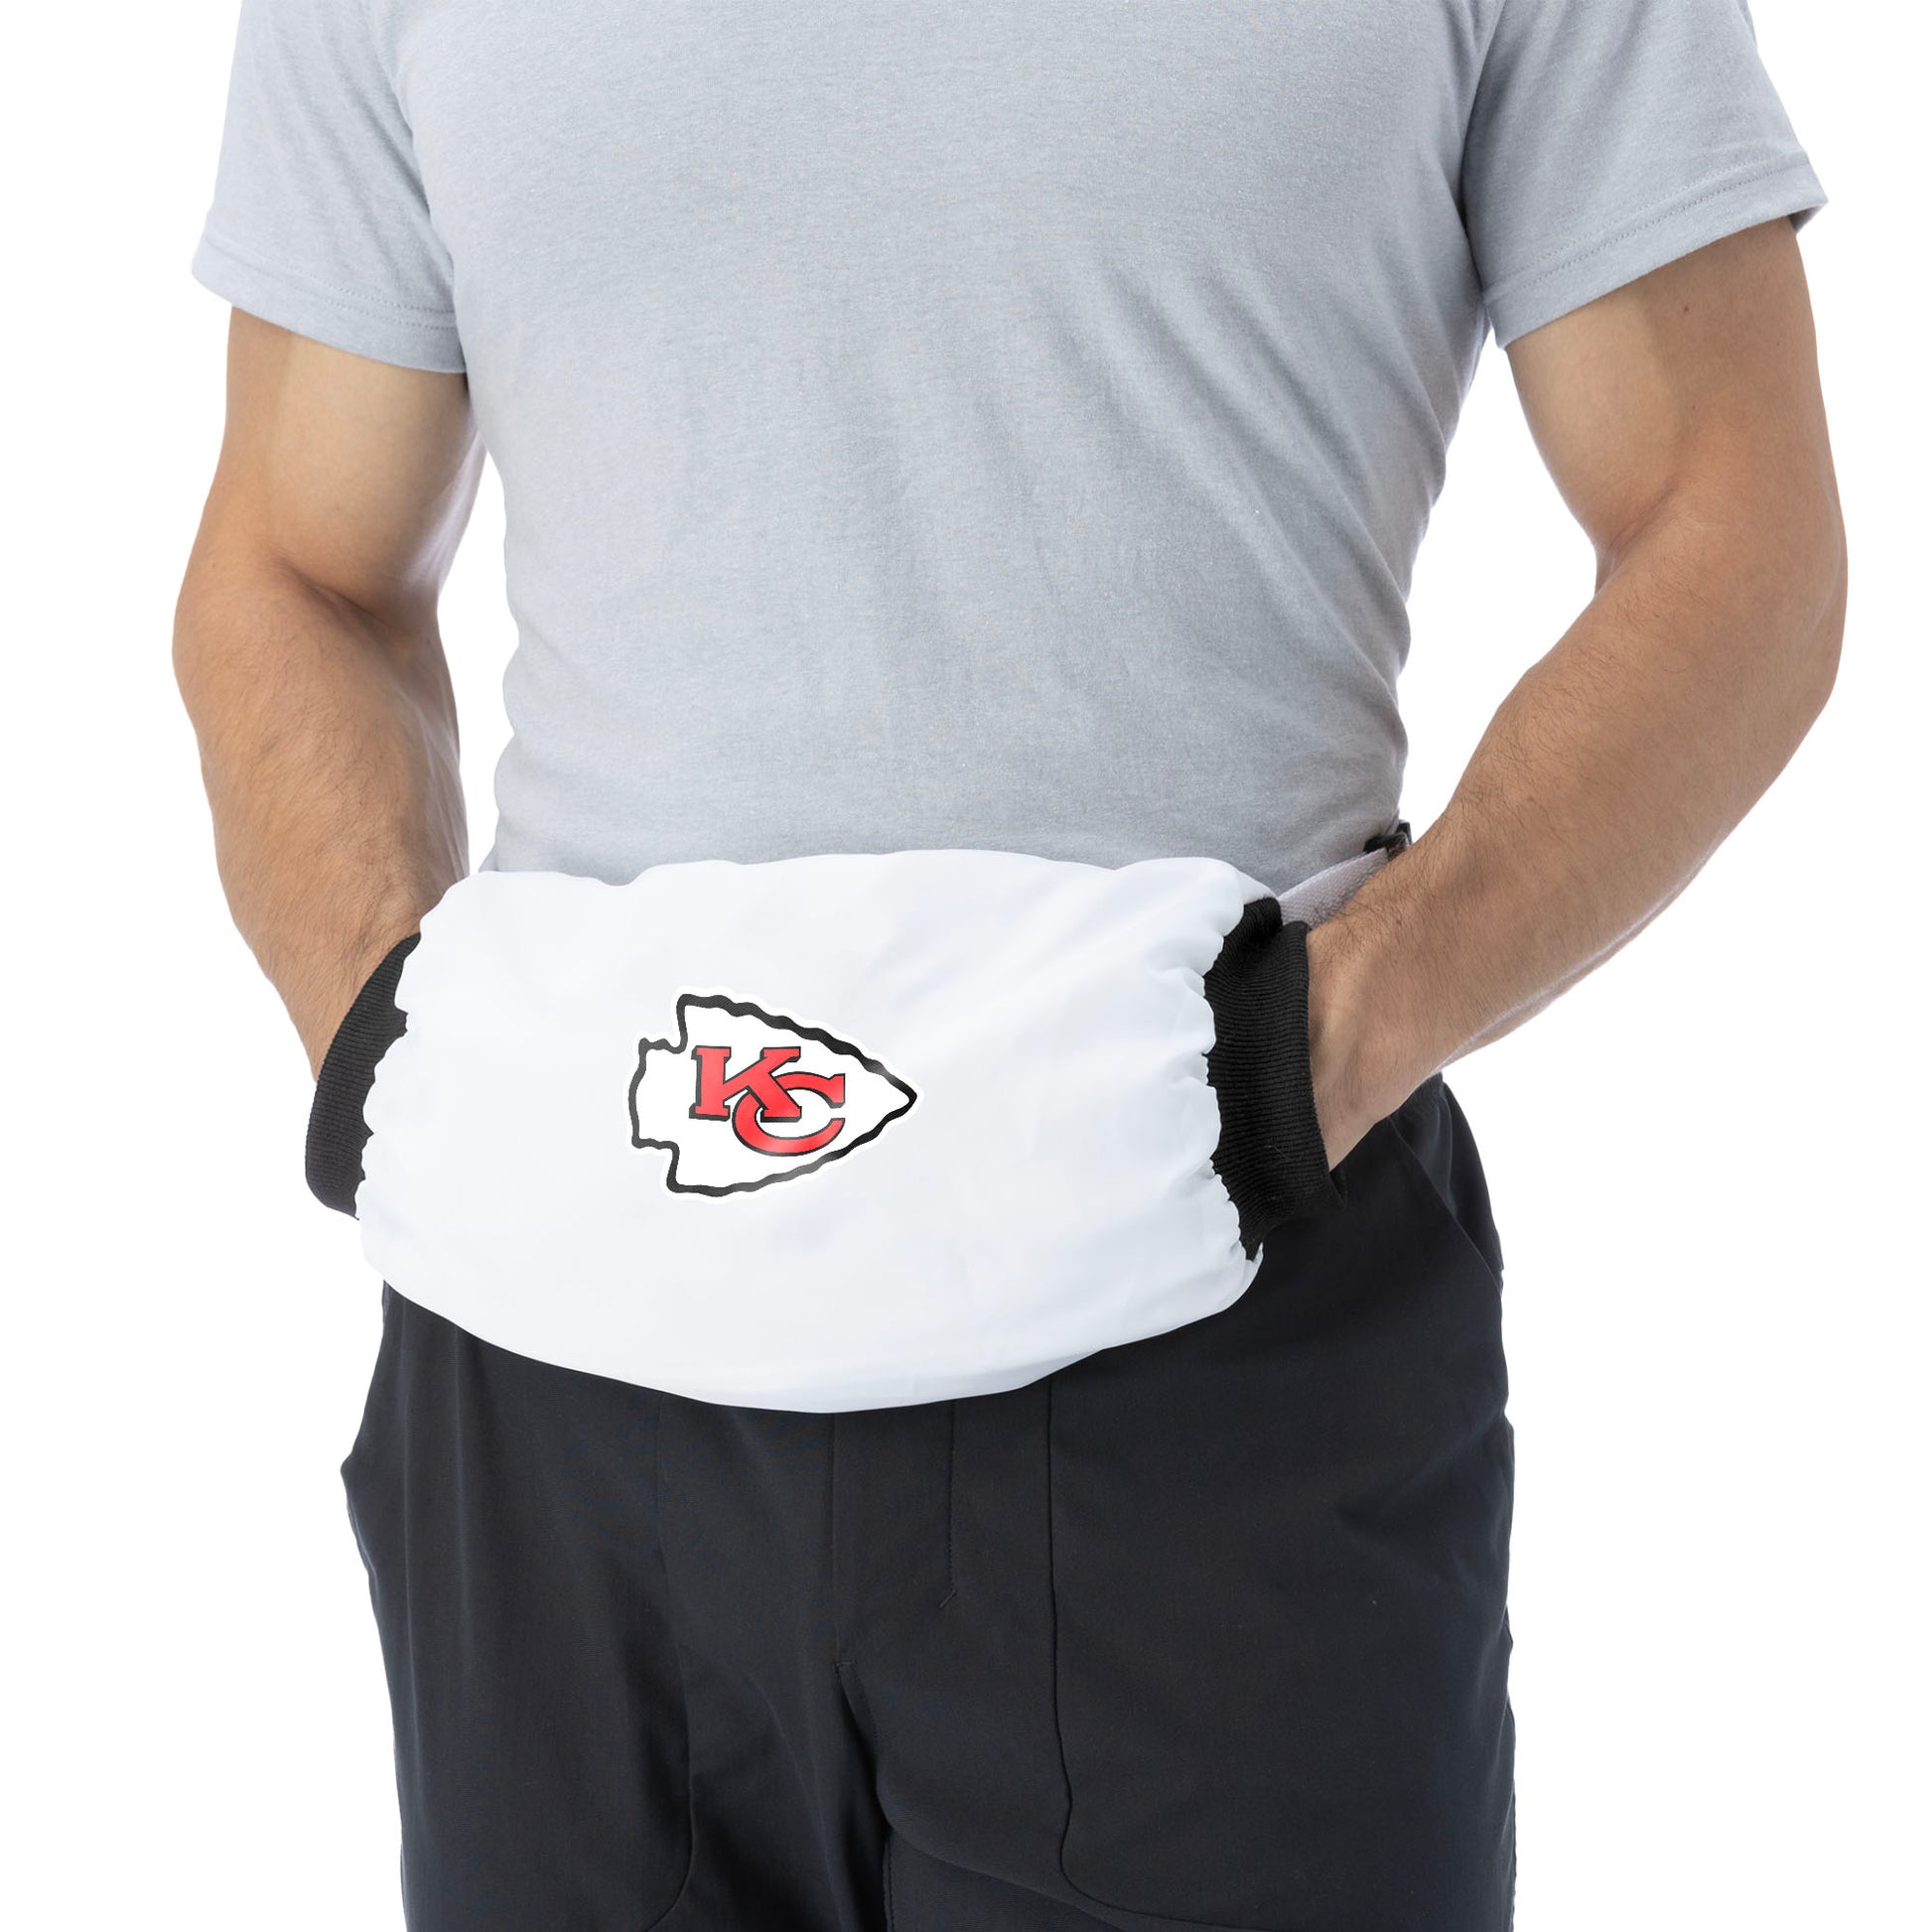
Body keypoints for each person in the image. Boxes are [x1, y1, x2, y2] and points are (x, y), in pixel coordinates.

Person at [175, 1, 1843, 1926]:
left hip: (1207, 1302)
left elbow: (1737, 529)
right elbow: (295, 564)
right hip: (561, 1348)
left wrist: (1315, 1048)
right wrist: (390, 1058)